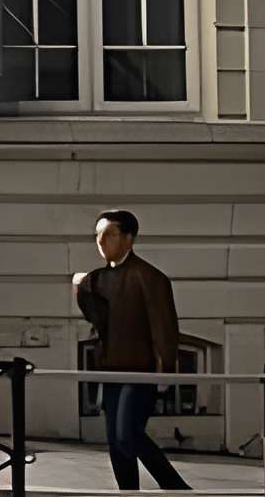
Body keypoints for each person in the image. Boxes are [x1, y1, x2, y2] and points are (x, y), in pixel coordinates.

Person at [74, 209, 187, 491]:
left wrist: (165, 372)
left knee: (127, 435)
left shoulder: (150, 277)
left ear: (128, 239)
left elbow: (164, 327)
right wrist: (80, 289)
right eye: (97, 235)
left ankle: (176, 489)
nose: (101, 241)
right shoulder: (97, 279)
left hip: (141, 371)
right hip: (111, 369)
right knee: (116, 440)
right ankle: (129, 493)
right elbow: (97, 320)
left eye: (109, 234)